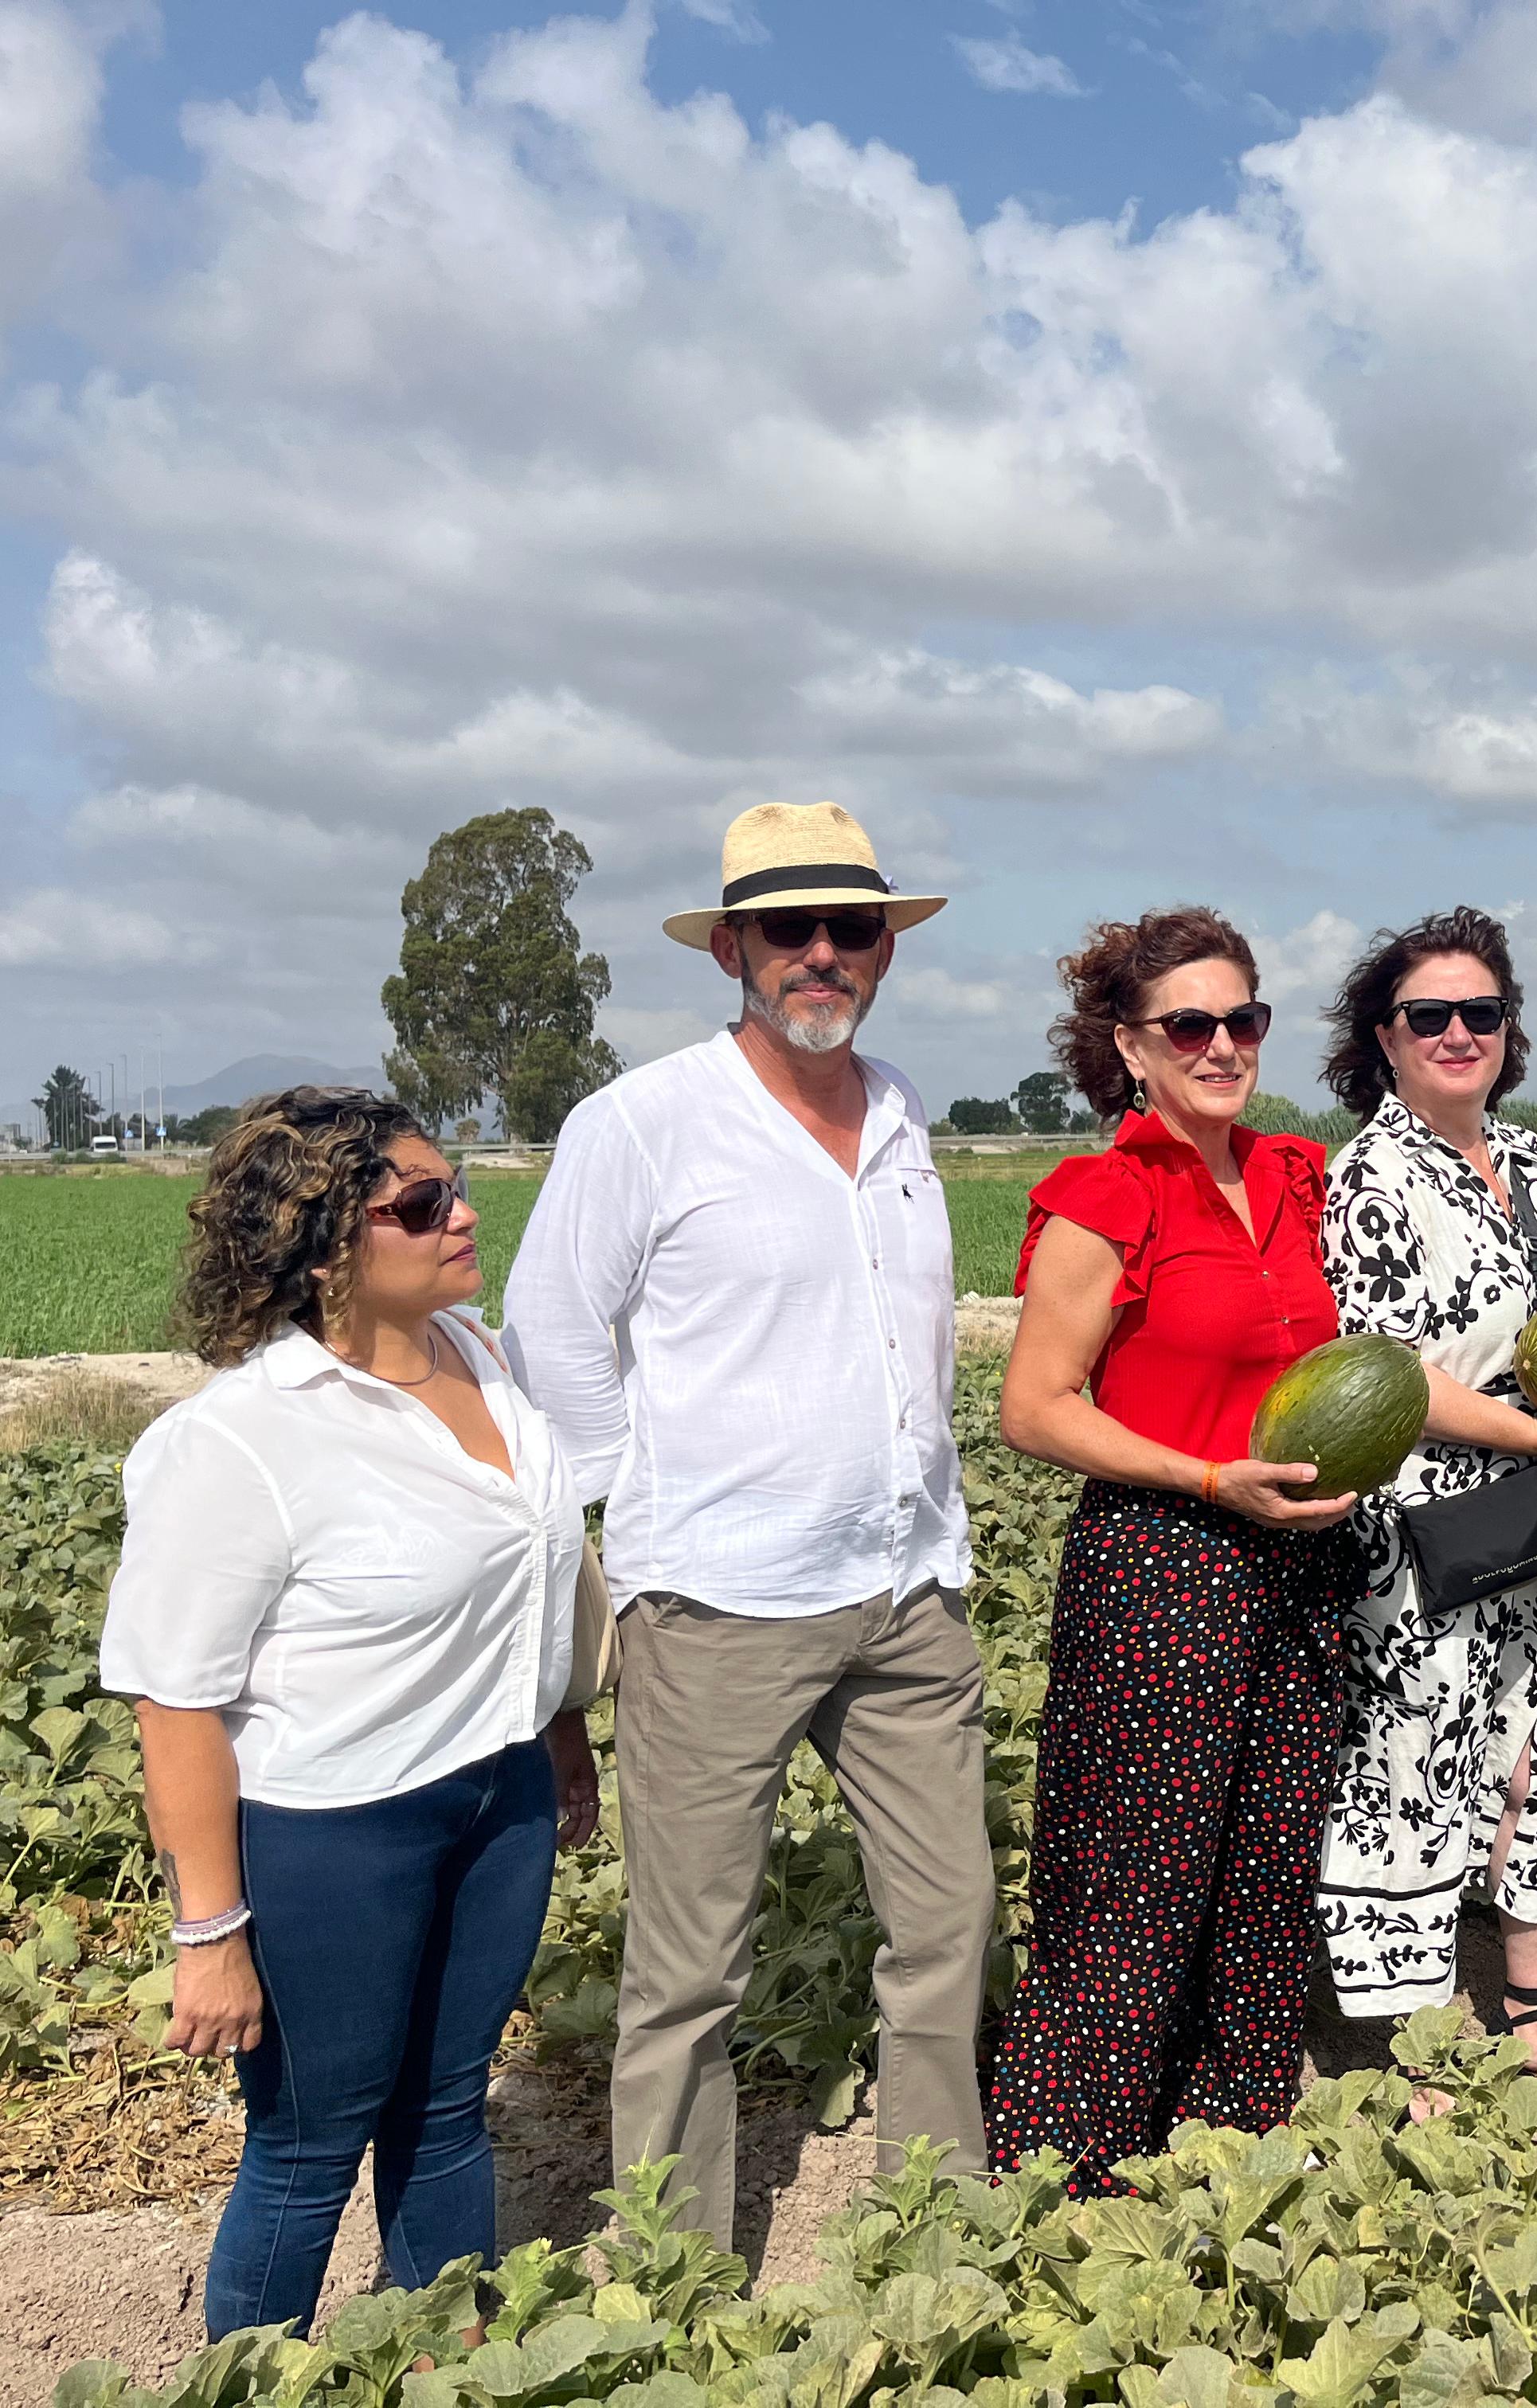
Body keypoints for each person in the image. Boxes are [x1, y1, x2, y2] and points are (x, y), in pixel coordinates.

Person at [504, 801, 988, 2244]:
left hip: (908, 1586)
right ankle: (675, 2267)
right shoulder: (641, 1122)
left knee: (948, 1923)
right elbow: (552, 1330)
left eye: (853, 927)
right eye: (791, 928)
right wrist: (637, 1492)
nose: (823, 953)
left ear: (885, 950)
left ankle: (934, 2224)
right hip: (717, 1599)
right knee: (688, 1969)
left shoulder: (900, 1109)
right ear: (732, 949)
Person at [105, 1089, 598, 2338]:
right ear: (323, 1245)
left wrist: (559, 1735)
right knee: (309, 2144)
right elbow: (176, 1700)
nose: (463, 1214)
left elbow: (536, 1578)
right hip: (334, 1833)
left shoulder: (478, 1354)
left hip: (498, 1802)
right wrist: (209, 1932)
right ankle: (253, 2380)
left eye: (457, 1186)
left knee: (445, 2109)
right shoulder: (242, 1440)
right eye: (422, 1204)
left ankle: (446, 2363)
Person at [988, 907, 1361, 2187]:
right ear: (1130, 1047)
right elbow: (1035, 1407)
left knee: (1265, 1872)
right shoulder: (1109, 1195)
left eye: (1241, 1019)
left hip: (1297, 1564)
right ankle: (1073, 2171)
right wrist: (1208, 1478)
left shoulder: (1293, 1176)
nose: (1221, 1045)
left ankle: (1227, 2151)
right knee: (1132, 1885)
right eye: (1188, 1025)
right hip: (1164, 1563)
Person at [1311, 910, 1537, 2053]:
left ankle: (1532, 1992)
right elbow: (1385, 1364)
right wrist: (1532, 1431)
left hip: (1533, 1512)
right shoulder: (1369, 1178)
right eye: (1429, 1016)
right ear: (1385, 1038)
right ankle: (1412, 2032)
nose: (1459, 1033)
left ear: (1509, 1028)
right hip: (1420, 1526)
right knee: (1415, 1762)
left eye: (1482, 1012)